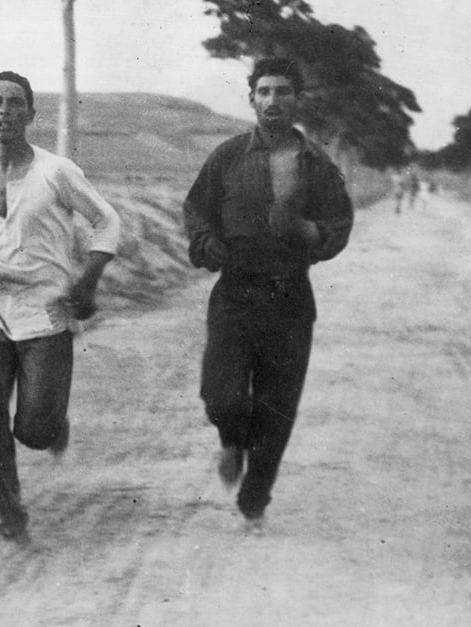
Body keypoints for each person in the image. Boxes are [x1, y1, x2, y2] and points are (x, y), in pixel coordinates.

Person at [0, 71, 121, 544]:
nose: (4, 111)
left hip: (47, 307)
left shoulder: (55, 171)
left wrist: (89, 279)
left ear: (32, 114)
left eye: (16, 103)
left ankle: (50, 426)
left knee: (34, 429)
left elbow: (106, 221)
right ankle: (10, 511)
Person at [182, 59, 353, 531]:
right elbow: (196, 208)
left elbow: (339, 226)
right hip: (235, 293)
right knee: (222, 397)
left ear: (297, 100)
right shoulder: (228, 156)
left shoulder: (317, 165)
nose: (273, 100)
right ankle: (231, 441)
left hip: (290, 299)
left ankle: (254, 501)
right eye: (264, 91)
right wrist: (205, 242)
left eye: (283, 91)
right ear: (251, 99)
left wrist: (304, 229)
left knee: (276, 410)